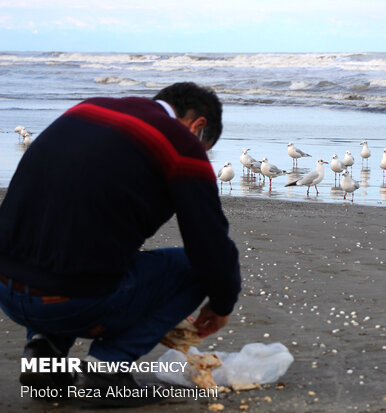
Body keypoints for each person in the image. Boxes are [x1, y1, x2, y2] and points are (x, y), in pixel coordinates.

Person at [0, 82, 241, 405]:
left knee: (61, 238)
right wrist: (222, 303)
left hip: (7, 287)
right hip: (72, 300)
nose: (202, 154)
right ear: (198, 126)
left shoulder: (85, 110)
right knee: (196, 268)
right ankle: (106, 369)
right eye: (205, 147)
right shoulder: (181, 143)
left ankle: (45, 354)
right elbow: (210, 244)